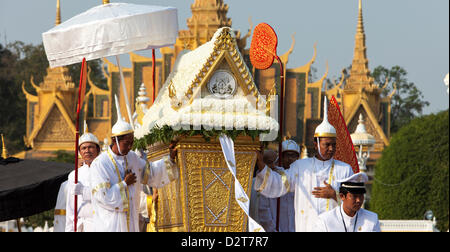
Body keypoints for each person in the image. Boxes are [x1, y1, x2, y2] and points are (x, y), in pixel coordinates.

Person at [254, 97, 354, 231]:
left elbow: (356, 202)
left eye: (333, 145)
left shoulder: (345, 169)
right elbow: (278, 183)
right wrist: (261, 164)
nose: (331, 149)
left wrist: (335, 194)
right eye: (327, 145)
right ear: (316, 144)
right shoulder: (300, 167)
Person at [89, 95, 178, 232]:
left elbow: (151, 173)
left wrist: (170, 158)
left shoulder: (132, 158)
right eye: (126, 143)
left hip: (131, 220)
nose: (130, 147)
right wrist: (124, 184)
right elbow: (102, 196)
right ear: (115, 140)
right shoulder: (100, 164)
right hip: (110, 223)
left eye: (132, 143)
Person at [313, 172, 381, 232]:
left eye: (361, 196)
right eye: (354, 196)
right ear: (342, 196)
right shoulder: (326, 220)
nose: (359, 200)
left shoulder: (372, 219)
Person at [65, 126, 101, 232]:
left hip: (101, 224)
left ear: (98, 150)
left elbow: (105, 196)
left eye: (90, 147)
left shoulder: (105, 170)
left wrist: (84, 191)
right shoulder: (74, 175)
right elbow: (70, 207)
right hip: (82, 226)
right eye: (83, 148)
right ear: (80, 152)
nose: (87, 151)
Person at [258, 140, 298, 232]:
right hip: (276, 228)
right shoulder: (274, 176)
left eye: (293, 156)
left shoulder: (302, 178)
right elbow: (264, 209)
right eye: (287, 155)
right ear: (281, 157)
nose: (290, 159)